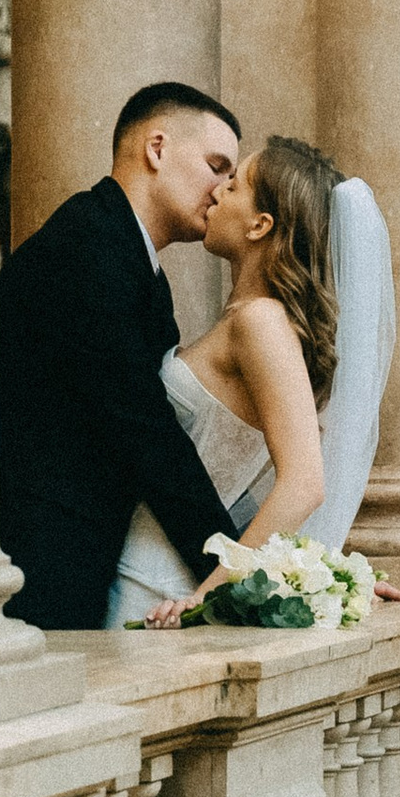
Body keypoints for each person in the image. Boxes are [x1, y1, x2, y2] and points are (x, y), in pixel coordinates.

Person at [0, 82, 248, 631]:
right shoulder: (89, 245)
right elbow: (146, 430)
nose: (222, 192)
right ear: (156, 149)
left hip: (80, 554)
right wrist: (242, 576)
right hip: (43, 564)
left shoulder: (127, 254)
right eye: (215, 166)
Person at [117, 133, 353, 626]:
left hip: (157, 588)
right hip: (145, 568)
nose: (219, 189)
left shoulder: (261, 322)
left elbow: (304, 484)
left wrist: (206, 598)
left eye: (237, 183)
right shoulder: (248, 319)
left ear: (260, 224)